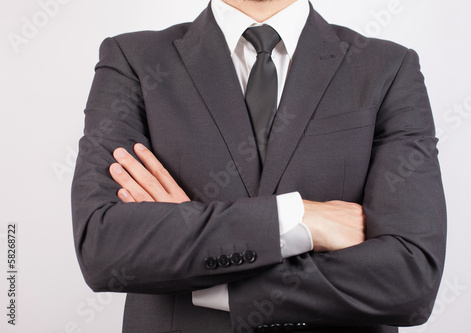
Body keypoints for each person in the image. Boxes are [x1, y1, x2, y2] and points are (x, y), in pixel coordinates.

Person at [71, 0, 447, 332]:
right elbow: (103, 247)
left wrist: (206, 272)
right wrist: (299, 218)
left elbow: (412, 278)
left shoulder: (388, 67)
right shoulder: (134, 59)